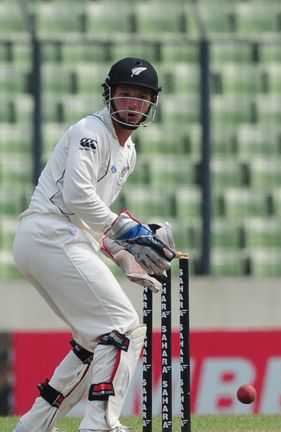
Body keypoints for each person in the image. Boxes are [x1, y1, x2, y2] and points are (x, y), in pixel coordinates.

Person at [12, 57, 177, 432]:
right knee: (123, 327)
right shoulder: (91, 131)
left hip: (60, 238)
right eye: (126, 94)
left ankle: (33, 426)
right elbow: (76, 197)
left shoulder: (129, 153)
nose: (133, 104)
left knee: (93, 339)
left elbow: (92, 216)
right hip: (49, 232)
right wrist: (128, 232)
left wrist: (120, 254)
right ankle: (101, 422)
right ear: (110, 95)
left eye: (142, 97)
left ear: (152, 104)